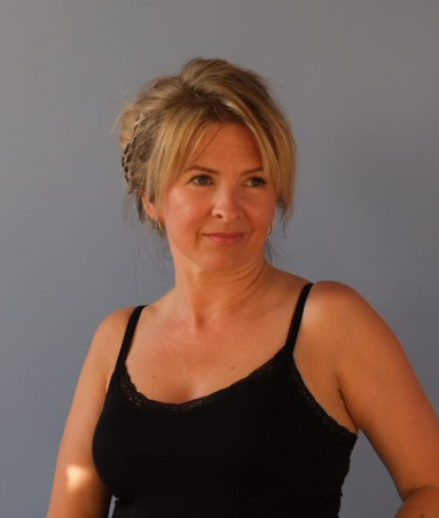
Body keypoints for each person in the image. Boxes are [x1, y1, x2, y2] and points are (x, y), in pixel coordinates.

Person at [47, 58, 439, 517]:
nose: (228, 208)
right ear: (150, 199)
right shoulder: (117, 338)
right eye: (202, 179)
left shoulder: (329, 321)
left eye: (254, 181)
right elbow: (71, 505)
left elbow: (431, 487)